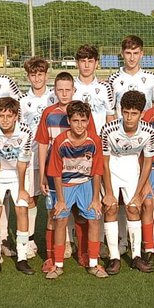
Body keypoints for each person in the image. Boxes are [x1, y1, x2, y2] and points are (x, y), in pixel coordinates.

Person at [44, 100, 107, 279]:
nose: (80, 125)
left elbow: (96, 171)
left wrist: (96, 198)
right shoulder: (60, 141)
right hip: (65, 185)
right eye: (76, 121)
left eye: (83, 121)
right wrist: (61, 200)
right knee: (60, 220)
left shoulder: (94, 140)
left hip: (86, 184)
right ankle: (57, 265)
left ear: (88, 121)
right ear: (69, 121)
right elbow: (56, 172)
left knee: (94, 218)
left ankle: (93, 263)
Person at [100, 90, 154, 273]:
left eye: (134, 113)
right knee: (110, 208)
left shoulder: (149, 131)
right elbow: (104, 161)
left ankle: (135, 256)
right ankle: (114, 257)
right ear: (120, 110)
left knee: (134, 208)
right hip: (112, 169)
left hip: (133, 168)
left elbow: (148, 162)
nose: (129, 117)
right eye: (126, 112)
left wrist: (140, 192)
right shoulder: (108, 130)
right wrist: (109, 192)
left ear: (141, 113)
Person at [0, 97, 35, 276]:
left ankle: (22, 258)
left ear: (16, 117)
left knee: (21, 209)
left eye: (9, 115)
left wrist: (22, 189)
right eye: (1, 115)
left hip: (18, 173)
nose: (4, 120)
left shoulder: (26, 132)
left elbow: (22, 163)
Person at [36, 71, 76, 273]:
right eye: (60, 90)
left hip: (78, 174)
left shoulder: (81, 113)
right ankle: (52, 257)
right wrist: (43, 173)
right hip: (54, 175)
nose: (64, 93)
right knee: (53, 214)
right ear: (54, 91)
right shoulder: (48, 113)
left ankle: (84, 253)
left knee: (80, 213)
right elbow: (43, 145)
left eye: (68, 90)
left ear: (74, 90)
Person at [17, 56, 56, 258]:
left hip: (52, 156)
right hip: (32, 155)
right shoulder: (23, 102)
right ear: (28, 77)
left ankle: (61, 238)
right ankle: (30, 239)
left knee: (54, 197)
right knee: (31, 197)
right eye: (33, 75)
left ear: (46, 75)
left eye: (40, 74)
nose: (37, 78)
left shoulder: (55, 98)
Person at [109, 35, 154, 114]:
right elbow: (110, 111)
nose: (132, 58)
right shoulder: (113, 79)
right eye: (128, 53)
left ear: (141, 54)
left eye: (135, 53)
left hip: (145, 125)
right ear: (122, 54)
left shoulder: (152, 77)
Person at [72, 44, 115, 133]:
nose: (86, 65)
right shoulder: (70, 87)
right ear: (77, 63)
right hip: (75, 142)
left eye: (90, 61)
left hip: (98, 140)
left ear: (96, 64)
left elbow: (110, 117)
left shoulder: (105, 87)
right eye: (83, 61)